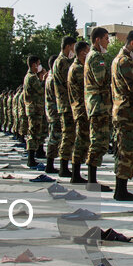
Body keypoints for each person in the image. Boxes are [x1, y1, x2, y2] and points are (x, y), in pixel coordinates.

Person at [112, 29, 133, 201]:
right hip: (127, 113)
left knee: (127, 151)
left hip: (127, 112)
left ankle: (121, 188)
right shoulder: (124, 61)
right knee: (126, 152)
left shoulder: (124, 60)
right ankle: (120, 190)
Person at [85, 28, 113, 191]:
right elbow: (102, 79)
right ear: (97, 40)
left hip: (99, 105)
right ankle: (91, 181)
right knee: (97, 143)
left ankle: (92, 180)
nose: (108, 42)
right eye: (106, 38)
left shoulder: (94, 56)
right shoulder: (96, 57)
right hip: (98, 106)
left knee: (100, 143)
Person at [67, 40, 90, 184]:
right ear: (82, 52)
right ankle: (75, 174)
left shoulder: (76, 67)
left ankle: (76, 172)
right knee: (81, 141)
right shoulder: (78, 69)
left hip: (79, 107)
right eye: (87, 50)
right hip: (81, 108)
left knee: (81, 140)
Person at [53, 36, 76, 175]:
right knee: (68, 135)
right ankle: (63, 167)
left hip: (63, 103)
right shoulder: (63, 62)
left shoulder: (59, 61)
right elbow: (69, 83)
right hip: (66, 103)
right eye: (73, 46)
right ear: (68, 46)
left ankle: (64, 166)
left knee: (67, 134)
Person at [22, 55, 46, 168]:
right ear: (33, 65)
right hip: (34, 108)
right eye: (38, 63)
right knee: (33, 133)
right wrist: (44, 80)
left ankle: (33, 156)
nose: (39, 66)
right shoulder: (32, 77)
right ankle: (30, 159)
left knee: (35, 132)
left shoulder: (29, 76)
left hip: (34, 108)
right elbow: (41, 90)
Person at [43, 54, 61, 173]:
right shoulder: (53, 78)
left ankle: (50, 163)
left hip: (51, 110)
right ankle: (49, 164)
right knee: (54, 137)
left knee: (53, 136)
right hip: (54, 111)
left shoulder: (49, 76)